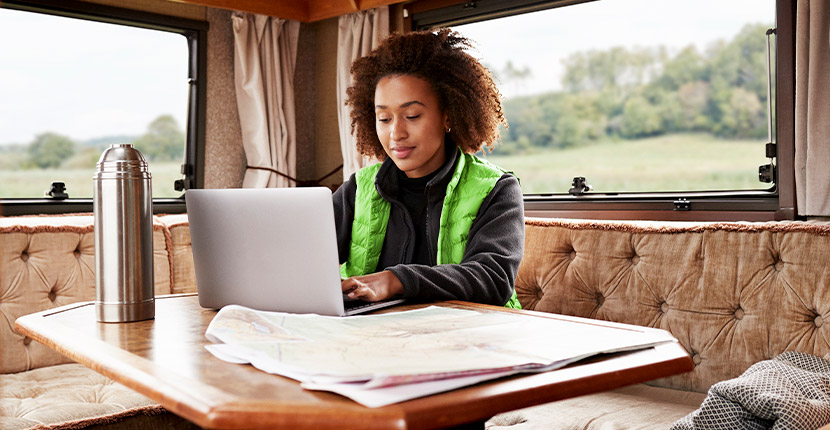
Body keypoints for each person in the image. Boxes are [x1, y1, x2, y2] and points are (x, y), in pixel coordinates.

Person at [335, 28, 524, 308]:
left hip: (470, 338)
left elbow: (493, 278)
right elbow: (304, 257)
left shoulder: (497, 189)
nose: (396, 133)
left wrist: (396, 280)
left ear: (448, 115)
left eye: (412, 115)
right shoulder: (358, 188)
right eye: (384, 118)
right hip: (377, 337)